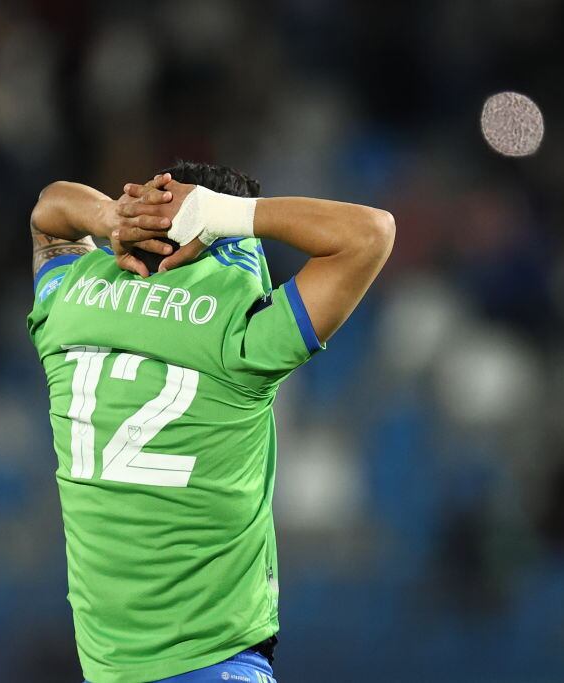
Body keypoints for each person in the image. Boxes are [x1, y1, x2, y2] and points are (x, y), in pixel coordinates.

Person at [27, 161, 395, 683]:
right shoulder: (239, 333)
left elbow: (50, 212)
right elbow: (371, 232)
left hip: (107, 669)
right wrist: (228, 214)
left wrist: (114, 214)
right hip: (216, 661)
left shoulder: (67, 305)